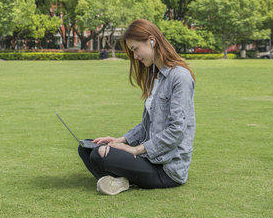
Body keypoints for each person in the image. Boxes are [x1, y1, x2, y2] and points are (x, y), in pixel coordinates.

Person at [78, 19, 196, 195]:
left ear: (151, 41)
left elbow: (176, 130)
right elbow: (148, 125)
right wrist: (121, 140)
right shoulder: (154, 77)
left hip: (167, 168)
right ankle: (124, 181)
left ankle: (124, 180)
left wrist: (135, 149)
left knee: (99, 154)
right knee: (87, 148)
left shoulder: (180, 77)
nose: (135, 57)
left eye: (135, 49)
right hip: (148, 158)